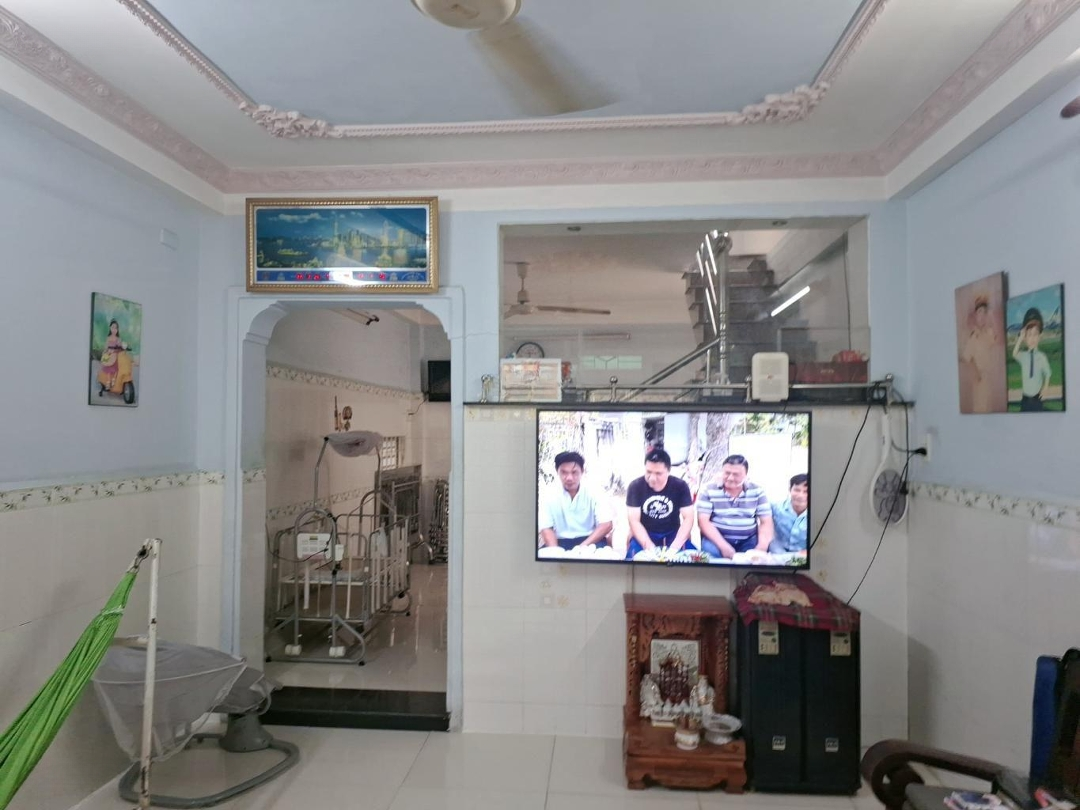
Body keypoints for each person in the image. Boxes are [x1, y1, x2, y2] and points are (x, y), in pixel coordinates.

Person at [696, 454, 773, 559]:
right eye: (727, 473)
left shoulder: (757, 491)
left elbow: (766, 522)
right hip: (717, 539)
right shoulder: (709, 490)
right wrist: (723, 546)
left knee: (754, 562)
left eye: (736, 474)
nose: (730, 478)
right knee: (712, 561)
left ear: (746, 475)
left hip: (749, 540)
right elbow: (703, 522)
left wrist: (762, 546)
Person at [624, 449, 695, 559]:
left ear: (668, 471)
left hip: (672, 534)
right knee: (633, 562)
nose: (652, 478)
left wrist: (675, 548)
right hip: (645, 533)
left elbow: (688, 518)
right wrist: (649, 547)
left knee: (694, 561)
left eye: (658, 473)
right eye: (648, 472)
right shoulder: (635, 486)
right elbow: (634, 521)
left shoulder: (680, 486)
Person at [539, 451, 613, 551]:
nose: (569, 478)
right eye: (564, 472)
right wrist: (556, 552)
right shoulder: (548, 493)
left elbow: (606, 524)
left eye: (574, 472)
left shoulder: (595, 490)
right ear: (557, 471)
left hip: (591, 540)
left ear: (582, 471)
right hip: (561, 541)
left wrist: (580, 548)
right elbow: (546, 528)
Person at [960, 295, 1002, 413]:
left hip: (989, 378)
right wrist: (976, 372)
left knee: (989, 408)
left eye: (985, 312)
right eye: (979, 312)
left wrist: (991, 317)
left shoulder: (988, 333)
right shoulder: (973, 336)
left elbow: (996, 338)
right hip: (979, 379)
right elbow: (966, 358)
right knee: (980, 408)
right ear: (975, 315)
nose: (982, 316)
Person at [1012, 307, 1052, 411]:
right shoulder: (1023, 356)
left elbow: (1047, 373)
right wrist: (1020, 339)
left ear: (1039, 336)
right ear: (1025, 338)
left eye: (1035, 334)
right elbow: (1014, 354)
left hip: (1037, 399)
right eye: (1029, 335)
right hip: (1025, 399)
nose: (1032, 338)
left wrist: (1045, 388)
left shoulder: (1041, 357)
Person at [770, 474, 809, 555]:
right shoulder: (776, 507)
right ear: (790, 490)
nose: (800, 495)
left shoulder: (818, 513)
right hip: (777, 554)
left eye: (806, 492)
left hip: (803, 556)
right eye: (797, 490)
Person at [97, 320, 126, 395]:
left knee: (116, 367)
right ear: (110, 328)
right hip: (109, 355)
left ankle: (114, 379)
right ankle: (108, 381)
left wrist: (121, 348)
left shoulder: (118, 339)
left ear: (117, 329)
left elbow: (120, 347)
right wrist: (105, 352)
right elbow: (106, 347)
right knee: (108, 368)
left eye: (116, 328)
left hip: (115, 355)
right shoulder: (108, 338)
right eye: (113, 327)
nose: (114, 330)